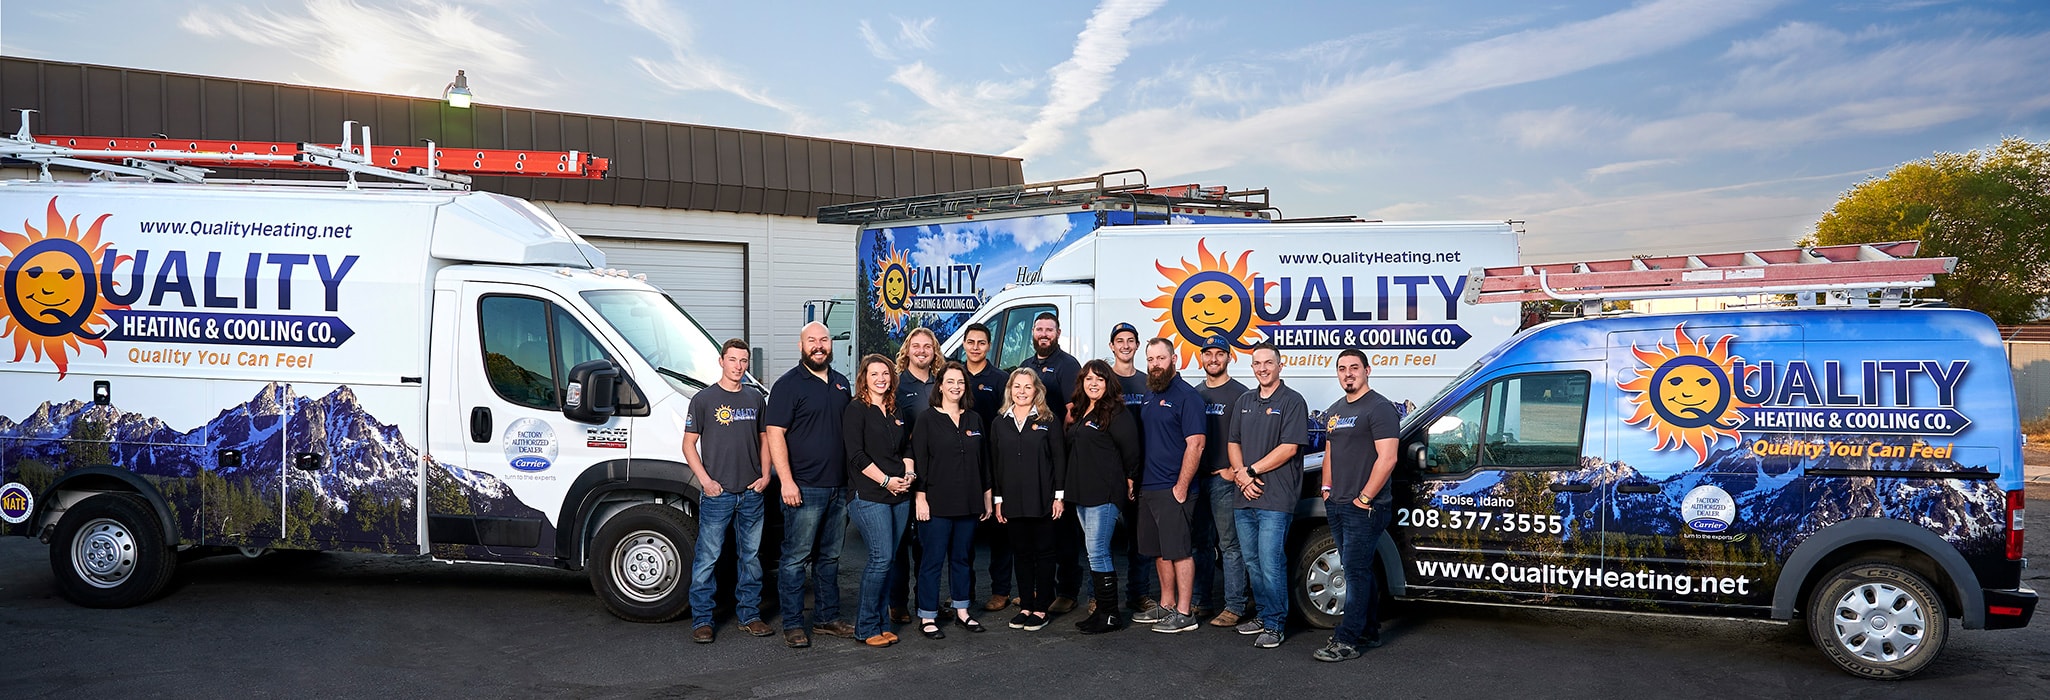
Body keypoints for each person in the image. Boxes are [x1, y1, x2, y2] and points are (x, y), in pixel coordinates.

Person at [767, 322, 857, 648]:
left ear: (830, 344)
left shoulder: (841, 383)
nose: (818, 346)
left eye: (823, 340)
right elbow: (775, 433)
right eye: (811, 341)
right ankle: (792, 624)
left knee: (830, 558)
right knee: (795, 559)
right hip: (803, 488)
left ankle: (826, 619)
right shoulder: (787, 385)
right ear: (801, 345)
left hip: (838, 488)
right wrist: (786, 482)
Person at [683, 339, 776, 643]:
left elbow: (765, 440)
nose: (738, 366)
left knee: (750, 558)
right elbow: (688, 445)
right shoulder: (703, 400)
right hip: (717, 494)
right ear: (721, 361)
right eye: (733, 360)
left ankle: (749, 615)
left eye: (744, 361)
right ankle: (702, 621)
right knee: (707, 558)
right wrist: (705, 481)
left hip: (751, 492)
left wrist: (765, 476)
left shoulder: (755, 399)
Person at [1312, 349, 1403, 662]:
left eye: (1354, 367)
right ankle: (1368, 630)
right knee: (1358, 569)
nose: (1348, 373)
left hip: (1366, 507)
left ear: (1367, 369)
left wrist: (1365, 497)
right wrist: (1326, 489)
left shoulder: (1380, 408)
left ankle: (1347, 639)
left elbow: (1388, 457)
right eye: (1342, 368)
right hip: (1337, 503)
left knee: (1355, 570)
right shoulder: (1335, 411)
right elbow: (1329, 453)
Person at [1229, 343, 1310, 649]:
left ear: (1280, 365)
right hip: (1244, 496)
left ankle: (1275, 624)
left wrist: (1251, 471)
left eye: (1268, 363)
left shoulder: (1292, 401)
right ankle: (1263, 615)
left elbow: (1289, 448)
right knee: (1252, 561)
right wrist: (1241, 475)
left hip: (1276, 499)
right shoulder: (1245, 400)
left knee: (1270, 560)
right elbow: (1233, 441)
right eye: (1257, 364)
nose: (1262, 368)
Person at [910, 362, 992, 638]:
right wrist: (920, 498)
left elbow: (985, 462)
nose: (956, 386)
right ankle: (928, 616)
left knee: (962, 559)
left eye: (961, 382)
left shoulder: (974, 419)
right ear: (940, 385)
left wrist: (987, 497)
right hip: (936, 503)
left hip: (969, 502)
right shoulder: (926, 419)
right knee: (932, 561)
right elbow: (920, 461)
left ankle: (962, 611)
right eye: (951, 381)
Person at [1130, 338, 1206, 634]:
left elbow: (1196, 444)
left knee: (1179, 551)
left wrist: (1182, 486)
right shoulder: (1150, 394)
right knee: (1159, 551)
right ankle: (1167, 604)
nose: (1155, 364)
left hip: (1175, 487)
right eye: (1150, 359)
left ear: (1175, 360)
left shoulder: (1188, 396)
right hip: (1150, 486)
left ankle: (1186, 613)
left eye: (1161, 358)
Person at [1063, 360, 1142, 634]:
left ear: (1108, 383)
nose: (1093, 383)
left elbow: (1132, 449)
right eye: (1088, 379)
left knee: (1098, 552)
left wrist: (1130, 479)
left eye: (1099, 379)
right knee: (1093, 552)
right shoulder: (1082, 410)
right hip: (1082, 492)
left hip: (1104, 492)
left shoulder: (1116, 412)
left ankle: (1109, 615)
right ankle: (1102, 612)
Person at [844, 354, 915, 647]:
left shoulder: (896, 408)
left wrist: (909, 474)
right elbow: (856, 455)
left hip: (900, 493)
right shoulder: (856, 410)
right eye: (874, 374)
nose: (880, 378)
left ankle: (882, 624)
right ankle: (865, 627)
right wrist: (886, 481)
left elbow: (907, 446)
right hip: (869, 494)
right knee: (881, 558)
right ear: (864, 378)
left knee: (890, 561)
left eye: (885, 373)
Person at [1015, 311, 1083, 613]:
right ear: (1033, 332)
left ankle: (1067, 591)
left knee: (1063, 526)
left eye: (1049, 329)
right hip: (1031, 460)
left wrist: (1058, 442)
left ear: (1058, 332)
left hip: (1058, 455)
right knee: (1037, 531)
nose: (1044, 334)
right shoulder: (1027, 367)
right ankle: (1039, 589)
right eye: (1040, 329)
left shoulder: (1068, 365)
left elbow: (1073, 410)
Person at [989, 368, 1066, 631]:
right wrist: (998, 498)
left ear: (1037, 390)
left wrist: (1059, 496)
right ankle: (1026, 605)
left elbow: (1059, 460)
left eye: (1027, 387)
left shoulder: (1048, 419)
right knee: (1021, 555)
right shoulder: (1000, 422)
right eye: (1017, 387)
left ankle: (1042, 608)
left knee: (1044, 555)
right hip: (1012, 500)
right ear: (1010, 390)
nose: (1022, 392)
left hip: (1043, 499)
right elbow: (995, 464)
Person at [960, 323, 1018, 613]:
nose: (975, 347)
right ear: (964, 344)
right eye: (970, 342)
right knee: (964, 533)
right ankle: (963, 593)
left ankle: (1000, 590)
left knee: (999, 530)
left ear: (989, 345)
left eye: (981, 343)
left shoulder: (1000, 379)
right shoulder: (953, 375)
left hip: (993, 461)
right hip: (961, 465)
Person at [1194, 336, 1252, 628]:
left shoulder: (1241, 394)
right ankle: (1202, 601)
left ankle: (1234, 605)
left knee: (1230, 546)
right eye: (1209, 354)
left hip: (1224, 481)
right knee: (1200, 545)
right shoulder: (1196, 394)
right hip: (1198, 480)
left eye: (1220, 354)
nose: (1213, 359)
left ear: (1230, 358)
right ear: (1201, 358)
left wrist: (1235, 469)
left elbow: (1250, 437)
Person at [888, 327, 944, 623]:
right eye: (916, 346)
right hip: (902, 474)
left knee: (928, 543)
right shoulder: (896, 385)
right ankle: (897, 603)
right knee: (898, 543)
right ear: (907, 351)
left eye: (927, 346)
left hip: (934, 475)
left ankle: (927, 602)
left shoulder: (942, 384)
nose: (922, 350)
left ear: (934, 352)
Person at [1104, 322, 1157, 616]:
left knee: (1141, 538)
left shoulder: (1149, 382)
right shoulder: (1101, 378)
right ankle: (1099, 594)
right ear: (1112, 346)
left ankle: (1138, 594)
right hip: (1109, 471)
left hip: (1142, 470)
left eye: (1130, 340)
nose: (1125, 345)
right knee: (1101, 539)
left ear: (1137, 346)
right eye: (1119, 340)